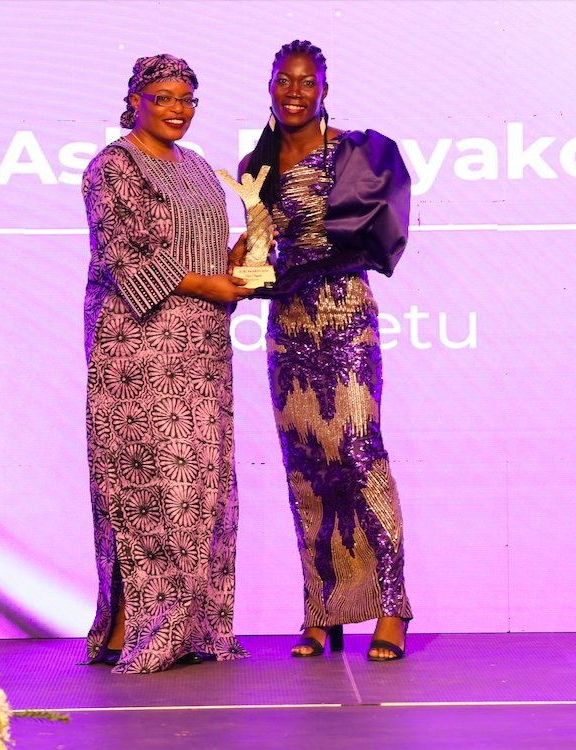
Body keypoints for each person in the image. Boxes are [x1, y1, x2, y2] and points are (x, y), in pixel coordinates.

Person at [237, 40, 413, 661]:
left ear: (323, 90)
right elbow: (260, 252)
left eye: (304, 82)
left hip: (345, 318)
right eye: (283, 80)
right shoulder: (256, 164)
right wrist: (229, 271)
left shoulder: (357, 153)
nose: (293, 91)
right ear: (270, 87)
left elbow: (377, 234)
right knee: (306, 470)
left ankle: (391, 609)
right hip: (289, 330)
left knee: (362, 458)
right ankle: (321, 612)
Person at [82, 53, 253, 674]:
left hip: (202, 349)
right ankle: (133, 625)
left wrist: (242, 259)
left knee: (201, 484)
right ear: (135, 101)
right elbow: (126, 259)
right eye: (164, 98)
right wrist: (207, 284)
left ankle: (192, 627)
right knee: (144, 483)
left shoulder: (202, 169)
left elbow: (209, 254)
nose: (178, 110)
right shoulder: (112, 167)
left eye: (188, 99)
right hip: (137, 346)